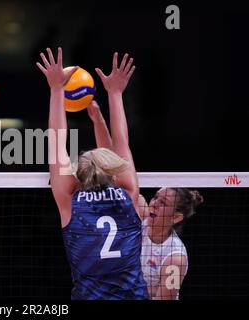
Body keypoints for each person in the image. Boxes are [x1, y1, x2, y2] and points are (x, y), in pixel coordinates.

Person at [36, 48, 149, 299]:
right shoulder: (127, 194)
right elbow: (121, 142)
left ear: (78, 176)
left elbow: (55, 140)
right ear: (111, 170)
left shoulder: (71, 201)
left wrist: (56, 90)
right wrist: (116, 93)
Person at [87, 98, 203, 300]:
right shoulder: (140, 213)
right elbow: (112, 165)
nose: (154, 203)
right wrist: (97, 120)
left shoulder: (175, 257)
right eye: (156, 197)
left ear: (176, 217)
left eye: (163, 203)